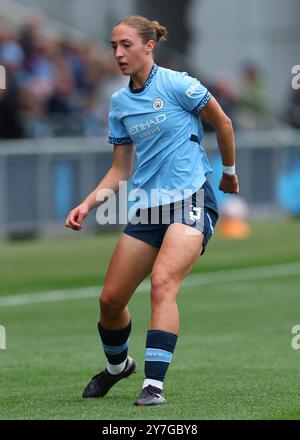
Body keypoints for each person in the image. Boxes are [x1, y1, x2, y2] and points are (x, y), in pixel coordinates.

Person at [65, 15, 239, 407]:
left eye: (126, 45)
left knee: (162, 282)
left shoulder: (178, 84)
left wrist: (228, 173)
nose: (118, 53)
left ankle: (153, 385)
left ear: (149, 46)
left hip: (191, 198)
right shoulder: (119, 102)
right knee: (110, 301)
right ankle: (117, 368)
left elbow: (224, 123)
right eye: (113, 46)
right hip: (146, 208)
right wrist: (88, 203)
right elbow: (120, 170)